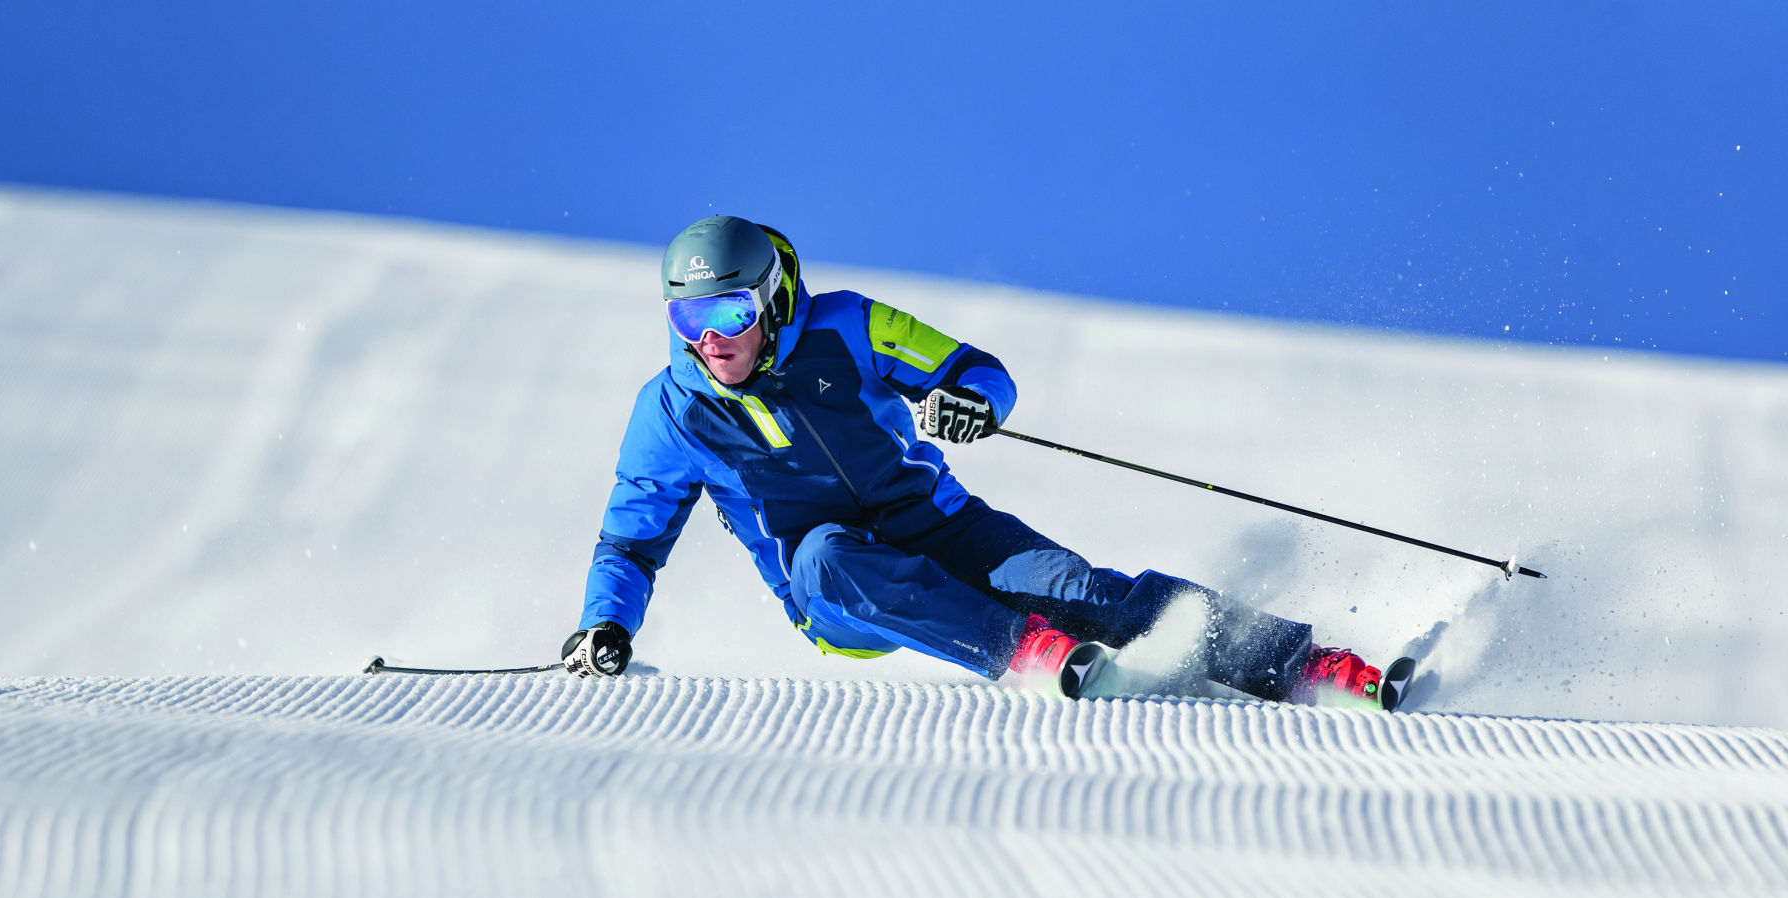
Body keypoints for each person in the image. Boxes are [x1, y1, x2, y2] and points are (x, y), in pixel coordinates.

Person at [562, 216, 1383, 706]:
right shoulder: (671, 412)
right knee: (824, 553)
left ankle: (1308, 663)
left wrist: (972, 399)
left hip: (944, 525)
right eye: (688, 317)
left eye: (730, 311)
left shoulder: (847, 327)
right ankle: (1027, 650)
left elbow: (977, 369)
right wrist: (606, 621)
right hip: (836, 591)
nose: (711, 339)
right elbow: (631, 542)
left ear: (771, 296)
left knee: (1090, 591)